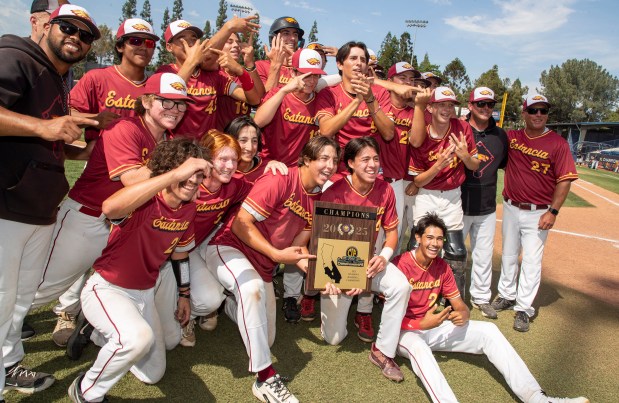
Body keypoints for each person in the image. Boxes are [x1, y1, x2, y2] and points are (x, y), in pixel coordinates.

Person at [32, 72, 191, 353]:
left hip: (125, 228)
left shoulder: (165, 140)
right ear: (146, 100)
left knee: (121, 289)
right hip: (88, 219)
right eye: (165, 101)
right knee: (41, 289)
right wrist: (178, 170)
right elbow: (131, 180)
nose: (175, 110)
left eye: (180, 104)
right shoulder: (125, 128)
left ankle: (93, 326)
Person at [32, 17, 160, 348]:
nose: (143, 47)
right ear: (119, 46)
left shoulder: (155, 89)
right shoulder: (96, 77)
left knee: (107, 275)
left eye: (149, 43)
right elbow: (63, 127)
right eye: (135, 41)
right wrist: (96, 134)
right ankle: (59, 313)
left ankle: (91, 322)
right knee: (49, 282)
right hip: (94, 196)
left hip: (130, 210)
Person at [0, 3, 100, 395]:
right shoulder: (16, 56)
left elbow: (47, 143)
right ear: (45, 26)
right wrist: (45, 126)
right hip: (7, 203)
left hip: (38, 208)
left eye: (85, 34)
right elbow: (41, 130)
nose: (75, 37)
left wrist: (85, 152)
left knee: (20, 300)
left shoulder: (60, 78)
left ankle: (8, 363)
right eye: (67, 28)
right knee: (3, 297)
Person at [66, 138, 209, 403]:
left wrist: (185, 295)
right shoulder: (145, 199)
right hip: (108, 288)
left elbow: (181, 253)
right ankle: (86, 391)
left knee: (153, 372)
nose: (193, 180)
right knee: (136, 339)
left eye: (198, 174)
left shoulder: (189, 208)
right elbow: (110, 208)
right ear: (169, 170)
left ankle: (96, 333)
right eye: (188, 172)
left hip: (145, 293)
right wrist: (174, 175)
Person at [394, 212, 589, 403]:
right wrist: (420, 323)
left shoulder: (442, 266)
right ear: (418, 237)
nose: (434, 243)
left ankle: (537, 398)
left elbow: (460, 306)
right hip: (404, 332)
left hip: (433, 326)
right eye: (429, 237)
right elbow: (388, 315)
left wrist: (463, 314)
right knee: (419, 348)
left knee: (489, 331)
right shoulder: (400, 264)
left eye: (439, 239)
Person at [205, 136, 339, 403]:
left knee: (266, 339)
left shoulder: (318, 199)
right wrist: (277, 254)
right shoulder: (280, 179)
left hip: (263, 264)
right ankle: (265, 377)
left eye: (334, 160)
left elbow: (297, 249)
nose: (330, 165)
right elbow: (241, 224)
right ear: (307, 159)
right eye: (323, 158)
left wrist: (320, 276)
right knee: (252, 289)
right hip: (229, 247)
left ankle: (229, 306)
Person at [319, 137, 412, 382]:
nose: (373, 165)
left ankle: (383, 350)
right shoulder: (333, 192)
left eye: (375, 159)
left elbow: (392, 233)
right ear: (350, 163)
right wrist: (342, 274)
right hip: (336, 262)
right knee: (334, 338)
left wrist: (383, 257)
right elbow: (323, 242)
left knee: (401, 286)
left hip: (370, 258)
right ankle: (329, 305)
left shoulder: (385, 189)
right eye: (365, 160)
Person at [491, 94, 578, 332]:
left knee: (531, 260)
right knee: (508, 254)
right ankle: (507, 294)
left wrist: (553, 212)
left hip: (538, 212)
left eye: (543, 111)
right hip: (510, 205)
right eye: (533, 110)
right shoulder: (513, 137)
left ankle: (523, 308)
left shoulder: (558, 144)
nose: (538, 115)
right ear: (524, 113)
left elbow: (564, 181)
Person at [178, 130, 253, 345]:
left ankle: (191, 315)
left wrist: (277, 168)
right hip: (169, 250)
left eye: (234, 160)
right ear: (207, 159)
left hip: (198, 246)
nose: (230, 166)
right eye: (223, 159)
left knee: (210, 300)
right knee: (165, 339)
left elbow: (264, 193)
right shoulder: (189, 184)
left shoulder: (234, 183)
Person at [408, 86, 480, 298]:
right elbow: (417, 180)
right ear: (430, 107)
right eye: (441, 104)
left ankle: (452, 302)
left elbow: (474, 165)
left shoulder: (461, 127)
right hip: (427, 194)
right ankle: (415, 297)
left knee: (456, 251)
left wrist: (464, 156)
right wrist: (438, 165)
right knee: (418, 245)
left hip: (452, 195)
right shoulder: (421, 131)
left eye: (450, 105)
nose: (447, 109)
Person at [157, 19, 260, 141]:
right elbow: (171, 96)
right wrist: (193, 61)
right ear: (169, 47)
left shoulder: (212, 75)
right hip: (177, 150)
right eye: (182, 39)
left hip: (208, 151)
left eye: (193, 39)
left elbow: (253, 99)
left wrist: (241, 72)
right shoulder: (165, 73)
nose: (189, 43)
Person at [461, 87, 508, 319]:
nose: (486, 109)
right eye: (481, 104)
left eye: (490, 104)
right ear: (470, 106)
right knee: (453, 253)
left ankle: (480, 297)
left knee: (483, 254)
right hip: (458, 203)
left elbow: (503, 165)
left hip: (487, 205)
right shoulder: (459, 129)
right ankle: (449, 294)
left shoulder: (500, 136)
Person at [254, 47, 326, 167]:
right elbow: (258, 121)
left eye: (316, 75)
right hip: (271, 164)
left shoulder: (320, 100)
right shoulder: (278, 93)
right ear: (293, 73)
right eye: (306, 74)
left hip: (302, 169)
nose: (312, 80)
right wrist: (284, 91)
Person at [256, 16, 305, 92]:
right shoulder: (261, 66)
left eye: (295, 34)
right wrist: (276, 65)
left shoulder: (303, 67)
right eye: (286, 33)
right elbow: (265, 98)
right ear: (274, 38)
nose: (292, 38)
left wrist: (299, 65)